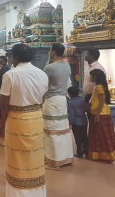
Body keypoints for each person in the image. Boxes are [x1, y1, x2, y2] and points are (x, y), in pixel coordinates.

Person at [0, 43, 48, 197]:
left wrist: (3, 122)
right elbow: (43, 98)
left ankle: (18, 193)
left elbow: (3, 102)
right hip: (36, 118)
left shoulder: (11, 75)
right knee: (35, 155)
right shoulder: (42, 74)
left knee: (17, 157)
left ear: (15, 58)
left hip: (16, 120)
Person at [43, 43, 73, 171]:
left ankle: (55, 162)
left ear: (53, 52)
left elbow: (41, 81)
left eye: (50, 50)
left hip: (52, 100)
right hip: (62, 100)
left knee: (51, 130)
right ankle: (66, 157)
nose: (49, 52)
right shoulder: (67, 65)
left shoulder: (50, 67)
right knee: (63, 129)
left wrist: (46, 66)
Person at [88, 69, 115, 163]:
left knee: (102, 135)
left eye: (91, 76)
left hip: (100, 113)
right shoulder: (99, 86)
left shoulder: (99, 87)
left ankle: (106, 156)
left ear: (95, 77)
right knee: (98, 134)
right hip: (98, 112)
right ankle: (100, 155)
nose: (90, 77)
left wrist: (97, 115)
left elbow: (101, 101)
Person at [83, 49, 106, 120]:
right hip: (89, 96)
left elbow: (99, 84)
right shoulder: (90, 67)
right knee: (90, 117)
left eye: (87, 54)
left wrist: (91, 99)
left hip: (94, 96)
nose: (85, 56)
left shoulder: (97, 68)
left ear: (91, 56)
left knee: (93, 118)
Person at [67, 86, 89, 158]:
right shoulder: (82, 100)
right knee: (84, 137)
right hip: (84, 121)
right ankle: (87, 152)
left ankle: (80, 153)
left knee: (78, 138)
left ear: (69, 94)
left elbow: (71, 114)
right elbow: (87, 110)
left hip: (76, 123)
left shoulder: (70, 102)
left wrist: (70, 123)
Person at [0, 58, 10, 146]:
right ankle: (2, 128)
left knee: (2, 114)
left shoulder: (4, 71)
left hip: (2, 96)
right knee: (1, 114)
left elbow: (0, 85)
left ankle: (3, 133)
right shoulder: (3, 70)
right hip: (1, 95)